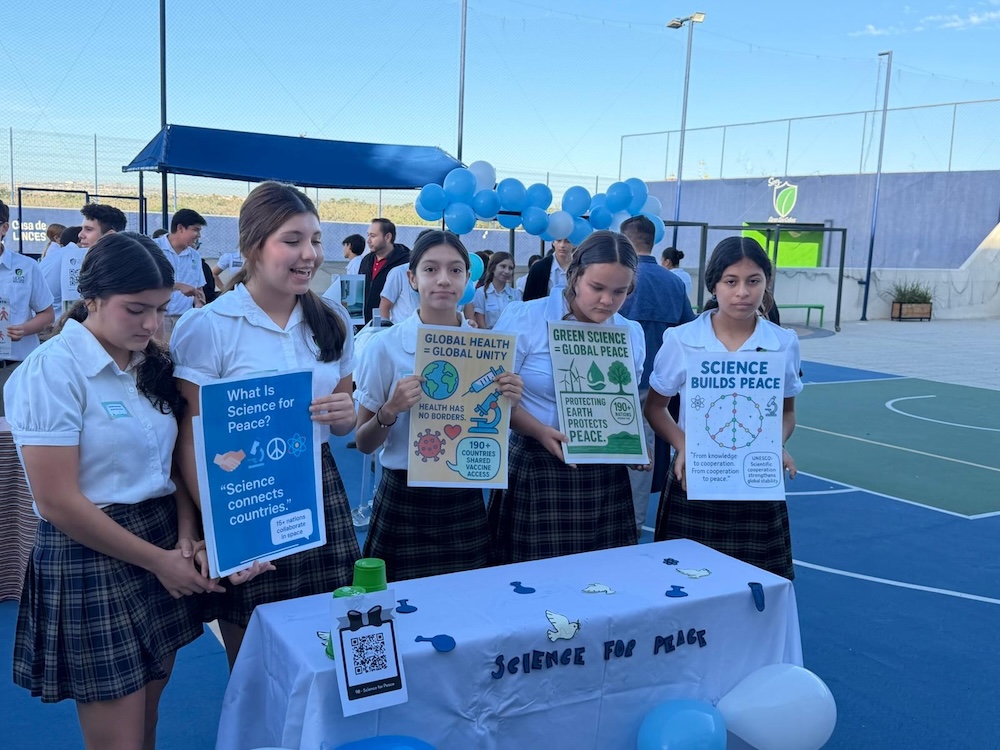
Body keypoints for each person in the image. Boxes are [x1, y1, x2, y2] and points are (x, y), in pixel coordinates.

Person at [3, 232, 219, 748]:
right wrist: (159, 561)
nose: (151, 324)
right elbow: (57, 501)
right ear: (92, 299)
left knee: (147, 722)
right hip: (91, 550)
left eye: (160, 309)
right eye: (136, 310)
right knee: (117, 741)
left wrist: (185, 534)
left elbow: (171, 464)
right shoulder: (51, 371)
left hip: (158, 536)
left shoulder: (150, 364)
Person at [171, 182, 360, 669]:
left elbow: (344, 422)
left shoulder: (333, 319)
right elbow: (190, 441)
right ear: (253, 246)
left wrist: (348, 415)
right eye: (292, 240)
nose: (309, 254)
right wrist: (224, 527)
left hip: (318, 489)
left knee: (329, 644)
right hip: (245, 496)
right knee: (254, 660)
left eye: (315, 240)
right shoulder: (209, 326)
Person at [354, 230, 523, 582]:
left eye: (455, 270)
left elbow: (491, 425)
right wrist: (390, 410)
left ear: (468, 279)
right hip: (402, 496)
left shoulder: (488, 352)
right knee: (397, 605)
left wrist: (509, 399)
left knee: (468, 602)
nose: (444, 279)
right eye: (430, 269)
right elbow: (364, 442)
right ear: (412, 278)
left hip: (465, 496)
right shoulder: (383, 346)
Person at [644, 236, 803, 579]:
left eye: (753, 281)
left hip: (756, 483)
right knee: (682, 583)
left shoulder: (783, 343)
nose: (742, 292)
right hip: (695, 479)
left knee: (757, 584)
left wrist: (774, 445)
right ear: (713, 284)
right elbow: (655, 408)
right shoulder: (682, 339)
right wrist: (685, 446)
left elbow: (787, 412)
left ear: (767, 283)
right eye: (731, 281)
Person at [488, 230, 646, 564]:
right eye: (597, 287)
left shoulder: (631, 333)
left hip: (604, 471)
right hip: (536, 463)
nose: (607, 300)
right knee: (531, 577)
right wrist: (538, 431)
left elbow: (624, 403)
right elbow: (494, 397)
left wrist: (629, 445)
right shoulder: (525, 318)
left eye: (619, 291)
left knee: (604, 575)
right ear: (574, 275)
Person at [619, 216, 696, 540]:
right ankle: (633, 527)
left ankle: (616, 526)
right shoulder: (674, 283)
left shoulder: (620, 277)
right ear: (653, 242)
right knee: (644, 458)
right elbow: (689, 331)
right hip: (658, 387)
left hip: (615, 384)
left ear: (625, 240)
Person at [0, 199, 55, 413]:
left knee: (12, 427)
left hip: (13, 369)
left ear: (4, 228)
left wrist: (24, 329)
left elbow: (47, 314)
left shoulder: (26, 267)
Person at [154, 209, 207, 339]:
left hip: (185, 320)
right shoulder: (153, 249)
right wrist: (177, 286)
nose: (198, 235)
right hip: (158, 319)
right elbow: (145, 284)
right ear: (180, 228)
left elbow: (199, 289)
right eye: (195, 230)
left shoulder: (195, 256)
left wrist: (199, 304)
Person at [359, 218, 410, 323]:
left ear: (387, 237)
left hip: (392, 325)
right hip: (366, 325)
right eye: (368, 235)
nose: (368, 240)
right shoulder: (366, 260)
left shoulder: (405, 263)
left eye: (373, 236)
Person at [38, 225, 81, 316]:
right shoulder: (75, 255)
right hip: (57, 316)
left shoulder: (56, 253)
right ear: (80, 240)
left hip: (45, 313)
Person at [473, 251, 521, 329]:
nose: (507, 271)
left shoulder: (516, 294)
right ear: (493, 268)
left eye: (510, 268)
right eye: (503, 266)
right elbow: (480, 323)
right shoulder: (481, 293)